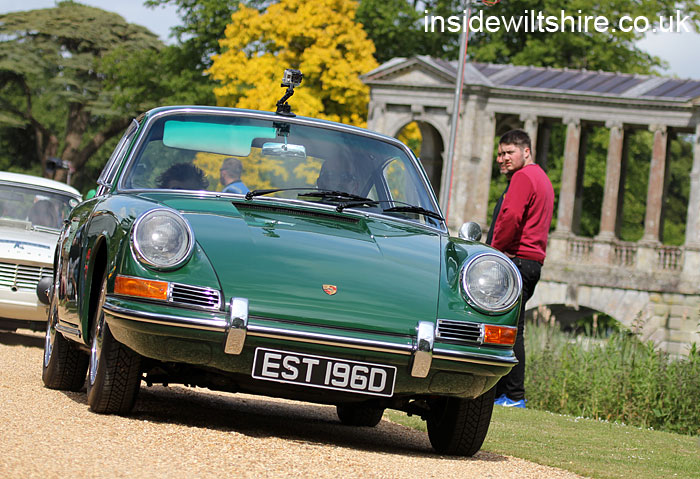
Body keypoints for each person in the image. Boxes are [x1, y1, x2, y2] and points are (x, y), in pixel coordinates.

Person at [487, 129, 554, 408]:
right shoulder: (542, 178)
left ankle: (513, 395)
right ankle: (502, 393)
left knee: (508, 328)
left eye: (509, 152)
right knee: (511, 326)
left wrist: (493, 251)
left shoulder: (523, 177)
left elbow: (511, 216)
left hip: (517, 260)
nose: (502, 158)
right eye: (500, 153)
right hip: (530, 263)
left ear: (526, 151)